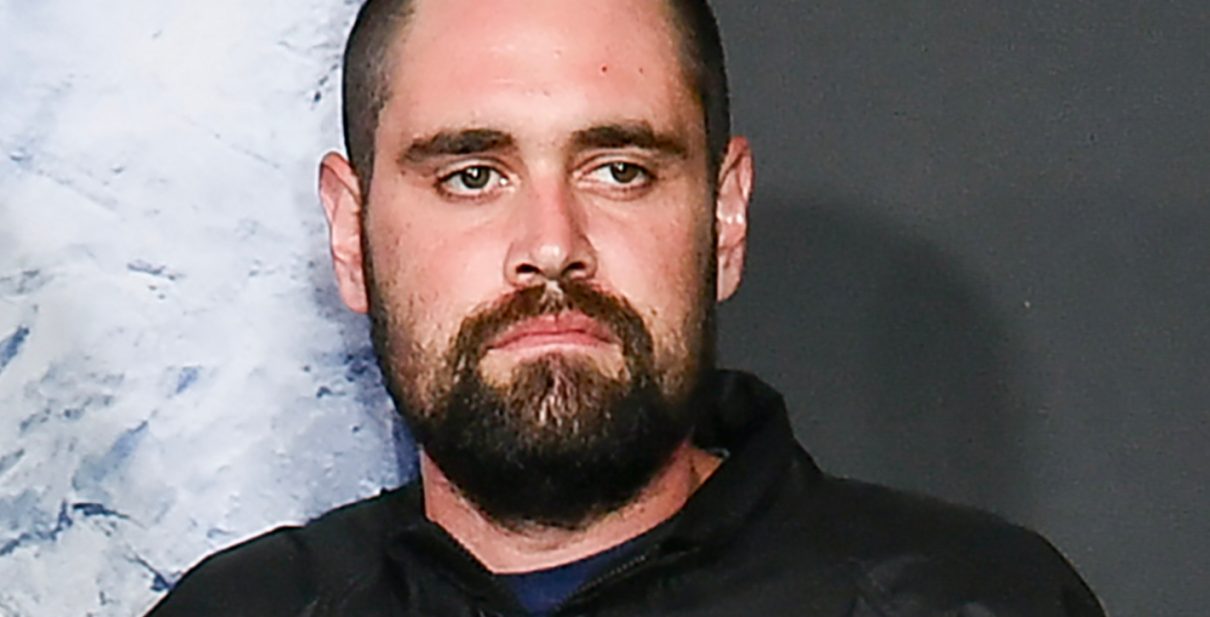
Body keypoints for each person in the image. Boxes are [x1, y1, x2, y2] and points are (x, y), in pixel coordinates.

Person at [147, 0, 1105, 615]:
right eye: (473, 175)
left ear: (724, 216)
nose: (551, 243)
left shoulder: (975, 601)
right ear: (351, 233)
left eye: (619, 170)